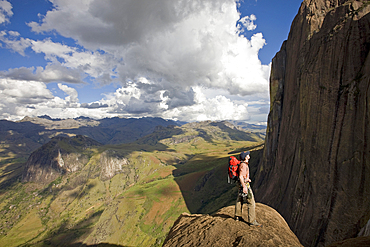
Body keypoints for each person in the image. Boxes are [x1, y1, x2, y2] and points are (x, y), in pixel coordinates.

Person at [234, 151, 261, 226]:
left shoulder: (242, 164)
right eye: (248, 155)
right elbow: (240, 176)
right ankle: (252, 221)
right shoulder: (244, 165)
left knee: (239, 199)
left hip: (241, 185)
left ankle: (237, 216)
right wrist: (244, 186)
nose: (249, 156)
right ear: (245, 157)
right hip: (244, 186)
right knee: (251, 202)